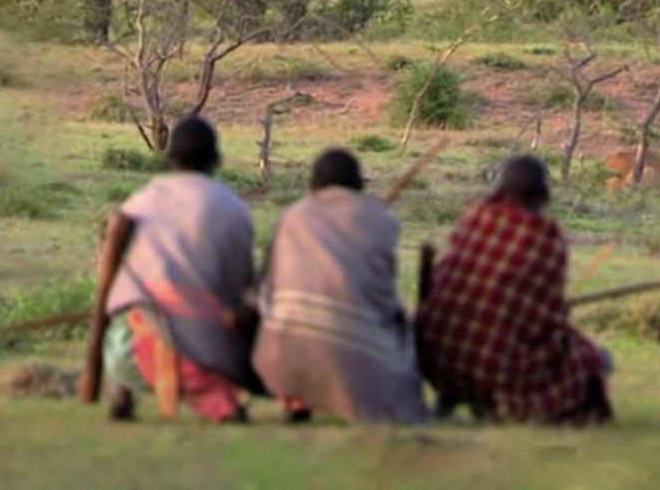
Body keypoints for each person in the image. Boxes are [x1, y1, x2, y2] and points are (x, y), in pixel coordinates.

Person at [415, 155, 613, 425]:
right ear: (543, 192)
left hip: (437, 358)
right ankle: (505, 406)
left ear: (499, 188)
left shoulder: (477, 215)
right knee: (589, 358)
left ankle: (455, 398)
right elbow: (547, 321)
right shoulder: (546, 237)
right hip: (496, 372)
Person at [102, 116, 265, 422]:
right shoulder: (233, 210)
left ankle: (121, 390)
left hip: (131, 357)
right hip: (205, 354)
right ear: (217, 159)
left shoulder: (142, 200)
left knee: (127, 320)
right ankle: (216, 395)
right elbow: (239, 291)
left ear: (170, 157)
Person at [251, 148, 429, 424]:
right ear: (359, 185)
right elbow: (383, 291)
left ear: (313, 185)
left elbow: (265, 287)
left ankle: (295, 398)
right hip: (358, 356)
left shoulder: (293, 216)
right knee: (401, 329)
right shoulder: (381, 221)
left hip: (282, 359)